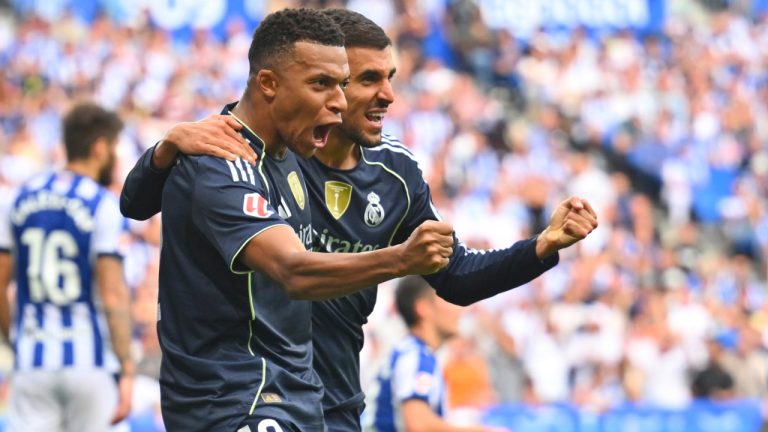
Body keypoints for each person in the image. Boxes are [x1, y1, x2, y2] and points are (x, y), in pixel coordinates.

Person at [120, 9, 597, 431]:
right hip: (249, 397)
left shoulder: (394, 174)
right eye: (366, 79)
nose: (388, 95)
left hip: (330, 399)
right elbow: (143, 203)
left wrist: (541, 246)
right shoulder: (256, 150)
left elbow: (456, 275)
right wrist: (164, 150)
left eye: (390, 77)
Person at [121, 8, 454, 432]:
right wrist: (402, 259)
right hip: (239, 403)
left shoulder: (289, 156)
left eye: (342, 85)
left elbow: (135, 202)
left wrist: (163, 149)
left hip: (298, 400)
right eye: (321, 84)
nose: (339, 102)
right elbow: (292, 270)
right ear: (269, 83)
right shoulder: (222, 160)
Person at [0, 103, 133, 432]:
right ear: (99, 147)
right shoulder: (102, 203)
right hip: (90, 361)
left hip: (33, 360)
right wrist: (126, 366)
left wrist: (15, 339)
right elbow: (113, 295)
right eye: (114, 148)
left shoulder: (18, 198)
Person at [368, 276, 498, 432]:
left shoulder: (413, 352)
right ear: (423, 308)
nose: (460, 310)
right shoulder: (416, 357)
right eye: (450, 299)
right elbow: (418, 425)